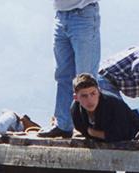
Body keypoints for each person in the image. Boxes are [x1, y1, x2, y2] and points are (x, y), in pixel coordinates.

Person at [38, 0, 101, 139]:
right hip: (60, 16)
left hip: (83, 14)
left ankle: (88, 126)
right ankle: (63, 125)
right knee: (63, 75)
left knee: (86, 78)